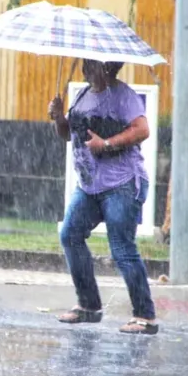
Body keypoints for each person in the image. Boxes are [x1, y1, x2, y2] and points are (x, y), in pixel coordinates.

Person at [47, 59, 158, 335]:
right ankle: (89, 306)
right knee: (70, 234)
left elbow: (142, 130)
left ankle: (145, 316)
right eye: (85, 63)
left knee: (122, 249)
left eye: (91, 63)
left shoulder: (123, 95)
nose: (85, 68)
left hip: (120, 184)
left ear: (108, 67)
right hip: (89, 187)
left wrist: (106, 144)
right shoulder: (83, 95)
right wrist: (60, 118)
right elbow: (68, 136)